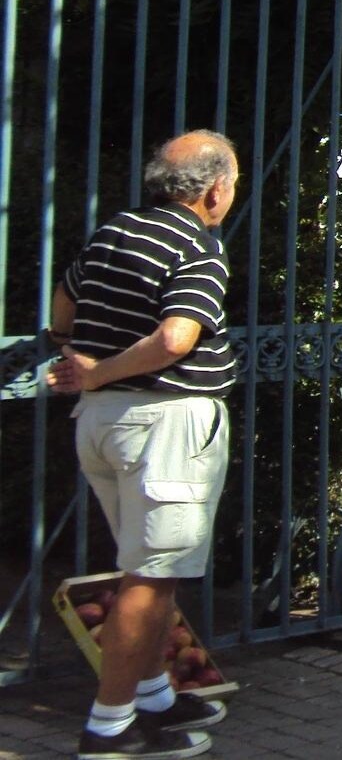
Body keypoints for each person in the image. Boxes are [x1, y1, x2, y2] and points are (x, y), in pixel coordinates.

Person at [46, 131, 240, 760]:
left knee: (148, 568)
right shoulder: (197, 246)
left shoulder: (115, 231)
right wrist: (101, 371)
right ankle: (108, 728)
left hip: (102, 424)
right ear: (216, 189)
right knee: (152, 578)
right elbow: (177, 338)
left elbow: (63, 304)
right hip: (165, 426)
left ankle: (153, 695)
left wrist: (79, 359)